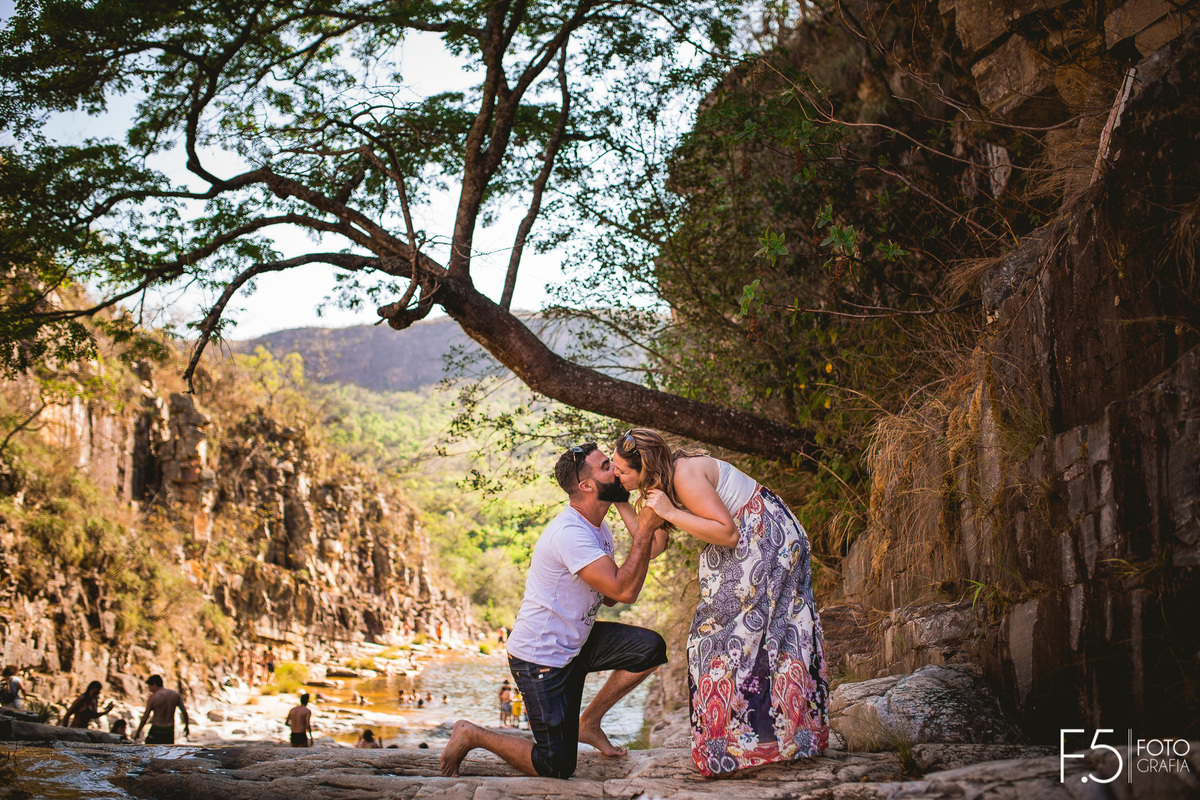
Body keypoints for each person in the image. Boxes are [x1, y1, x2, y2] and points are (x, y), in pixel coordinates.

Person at [440, 441, 668, 779]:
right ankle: (472, 733)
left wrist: (623, 505)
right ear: (587, 486)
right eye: (607, 466)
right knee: (557, 766)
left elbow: (612, 594)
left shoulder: (597, 525)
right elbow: (624, 590)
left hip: (576, 642)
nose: (617, 469)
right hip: (540, 659)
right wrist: (643, 530)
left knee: (650, 649)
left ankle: (588, 723)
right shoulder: (570, 533)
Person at [611, 428, 830, 777]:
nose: (616, 475)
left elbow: (727, 532)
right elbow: (653, 546)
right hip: (748, 540)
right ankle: (762, 742)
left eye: (622, 471)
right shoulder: (654, 488)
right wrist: (623, 502)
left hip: (764, 534)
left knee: (731, 638)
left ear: (645, 466)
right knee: (744, 638)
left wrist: (669, 510)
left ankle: (760, 742)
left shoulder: (683, 474)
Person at [133, 675, 190, 744]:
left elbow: (145, 717)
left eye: (150, 686)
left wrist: (138, 732)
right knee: (166, 752)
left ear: (154, 684)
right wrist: (186, 726)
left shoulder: (153, 697)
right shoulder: (175, 694)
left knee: (151, 752)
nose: (149, 689)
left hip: (156, 729)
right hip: (169, 730)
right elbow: (184, 712)